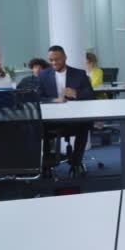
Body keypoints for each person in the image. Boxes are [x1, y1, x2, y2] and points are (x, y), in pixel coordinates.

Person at [39, 45, 95, 175]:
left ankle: (76, 163)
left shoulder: (79, 74)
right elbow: (38, 96)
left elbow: (91, 95)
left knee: (84, 125)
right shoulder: (43, 75)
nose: (53, 63)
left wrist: (76, 93)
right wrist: (54, 100)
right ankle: (46, 166)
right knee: (41, 128)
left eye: (57, 59)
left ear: (65, 58)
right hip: (52, 120)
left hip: (74, 119)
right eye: (51, 60)